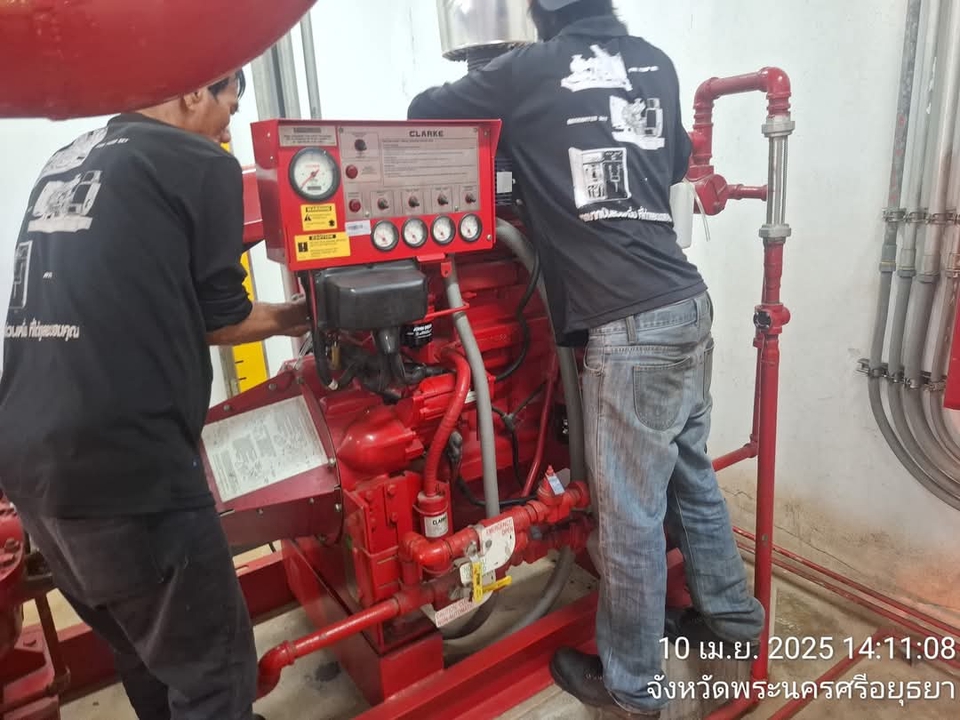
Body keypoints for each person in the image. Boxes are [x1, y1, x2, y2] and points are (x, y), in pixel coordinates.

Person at [407, 0, 764, 716]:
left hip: (628, 328)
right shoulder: (657, 64)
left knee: (629, 518)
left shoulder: (528, 70)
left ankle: (632, 687)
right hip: (687, 304)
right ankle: (733, 625)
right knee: (691, 479)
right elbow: (668, 166)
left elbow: (423, 110)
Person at [0, 69, 310, 720]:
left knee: (144, 649)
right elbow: (222, 318)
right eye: (229, 108)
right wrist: (296, 317)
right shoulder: (198, 162)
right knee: (216, 675)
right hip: (129, 474)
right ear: (194, 91)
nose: (226, 130)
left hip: (30, 469)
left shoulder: (67, 159)